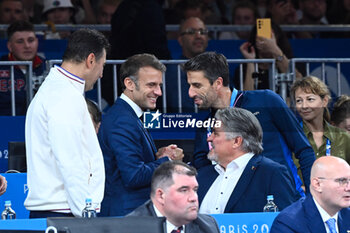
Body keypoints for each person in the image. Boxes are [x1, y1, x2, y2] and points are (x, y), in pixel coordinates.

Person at [183, 52, 315, 195]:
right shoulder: (206, 127)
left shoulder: (266, 101)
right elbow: (202, 170)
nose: (190, 93)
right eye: (190, 86)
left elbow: (304, 150)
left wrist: (313, 198)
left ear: (218, 83)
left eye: (197, 85)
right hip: (239, 207)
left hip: (283, 200)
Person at [25, 29, 110, 218]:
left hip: (62, 209)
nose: (101, 74)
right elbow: (71, 161)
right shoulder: (64, 96)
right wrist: (85, 214)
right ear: (90, 60)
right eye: (102, 65)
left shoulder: (58, 90)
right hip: (65, 212)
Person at [98, 53, 184, 217]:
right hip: (126, 217)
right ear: (129, 83)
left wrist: (158, 157)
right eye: (151, 85)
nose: (158, 92)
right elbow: (133, 176)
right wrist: (168, 160)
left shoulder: (127, 115)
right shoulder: (122, 120)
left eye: (159, 85)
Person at [197, 107, 300, 213]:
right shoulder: (201, 175)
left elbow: (286, 222)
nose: (209, 139)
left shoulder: (271, 173)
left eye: (216, 133)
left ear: (236, 141)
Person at [128, 160, 220, 233]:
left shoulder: (208, 226)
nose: (193, 198)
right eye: (184, 190)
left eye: (195, 190)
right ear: (161, 195)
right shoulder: (129, 228)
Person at [270, 156, 350, 233]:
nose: (348, 188)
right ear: (317, 184)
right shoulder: (288, 223)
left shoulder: (347, 215)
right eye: (342, 181)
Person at [291, 76, 350, 164]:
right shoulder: (291, 137)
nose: (304, 106)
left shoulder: (343, 137)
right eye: (299, 101)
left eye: (310, 99)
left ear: (325, 101)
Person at [237, 22, 302, 91]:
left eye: (269, 36)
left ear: (277, 38)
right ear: (255, 39)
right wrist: (250, 61)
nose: (265, 40)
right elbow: (246, 96)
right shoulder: (242, 68)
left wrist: (275, 50)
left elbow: (300, 84)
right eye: (261, 36)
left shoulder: (293, 62)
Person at [0, 20, 46, 116]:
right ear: (10, 46)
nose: (27, 46)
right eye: (20, 41)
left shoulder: (48, 68)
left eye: (31, 40)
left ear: (37, 42)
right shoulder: (1, 66)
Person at [166, 17, 209, 113]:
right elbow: (181, 107)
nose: (198, 36)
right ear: (180, 40)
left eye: (202, 32)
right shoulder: (174, 69)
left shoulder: (216, 66)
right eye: (191, 32)